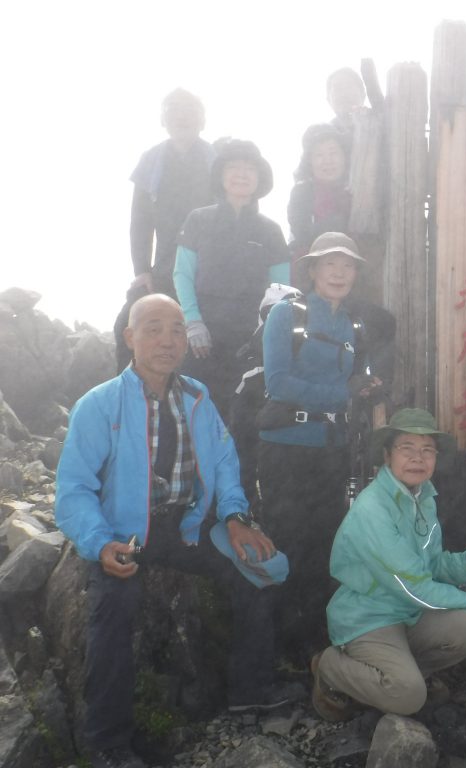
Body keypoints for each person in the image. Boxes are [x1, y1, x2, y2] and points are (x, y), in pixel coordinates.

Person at [55, 295, 287, 768]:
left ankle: (250, 691)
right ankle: (108, 741)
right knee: (113, 608)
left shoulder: (197, 398)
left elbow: (224, 462)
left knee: (259, 568)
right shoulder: (99, 405)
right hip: (124, 533)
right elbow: (74, 489)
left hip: (184, 526)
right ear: (130, 338)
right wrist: (99, 543)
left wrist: (235, 517)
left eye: (177, 329)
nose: (167, 339)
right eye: (153, 328)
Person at [310, 408, 466, 721]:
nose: (418, 458)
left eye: (428, 450)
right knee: (409, 696)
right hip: (370, 618)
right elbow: (409, 584)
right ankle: (329, 666)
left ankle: (400, 672)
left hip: (408, 612)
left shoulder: (422, 497)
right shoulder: (372, 508)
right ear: (387, 455)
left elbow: (432, 565)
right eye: (407, 448)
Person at [257, 231, 393, 657]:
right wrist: (343, 393)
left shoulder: (353, 325)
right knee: (287, 542)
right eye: (330, 264)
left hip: (331, 450)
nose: (339, 272)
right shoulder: (286, 314)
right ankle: (278, 648)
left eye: (347, 265)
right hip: (285, 449)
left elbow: (353, 381)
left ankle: (315, 644)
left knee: (325, 544)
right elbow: (278, 383)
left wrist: (366, 389)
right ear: (313, 270)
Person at [173, 139, 291, 413]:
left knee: (243, 415)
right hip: (203, 337)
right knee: (195, 411)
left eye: (250, 168)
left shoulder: (271, 230)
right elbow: (182, 274)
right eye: (233, 167)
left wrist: (264, 338)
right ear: (221, 175)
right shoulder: (198, 220)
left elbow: (281, 291)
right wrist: (193, 322)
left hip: (249, 339)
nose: (242, 174)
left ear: (259, 178)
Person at [115, 88, 215, 371]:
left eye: (190, 111)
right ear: (163, 120)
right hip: (165, 268)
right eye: (174, 111)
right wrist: (142, 271)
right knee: (126, 325)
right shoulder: (152, 161)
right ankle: (130, 391)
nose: (182, 118)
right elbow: (140, 222)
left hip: (208, 269)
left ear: (203, 120)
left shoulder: (216, 160)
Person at [287, 124, 353, 276]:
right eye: (319, 155)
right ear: (310, 161)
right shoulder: (302, 192)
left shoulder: (358, 190)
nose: (327, 161)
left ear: (344, 157)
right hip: (311, 270)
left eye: (333, 153)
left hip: (353, 269)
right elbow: (302, 234)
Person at [326, 67, 367, 152]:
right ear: (329, 100)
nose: (344, 94)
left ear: (363, 95)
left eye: (349, 87)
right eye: (337, 88)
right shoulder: (321, 137)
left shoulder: (381, 126)